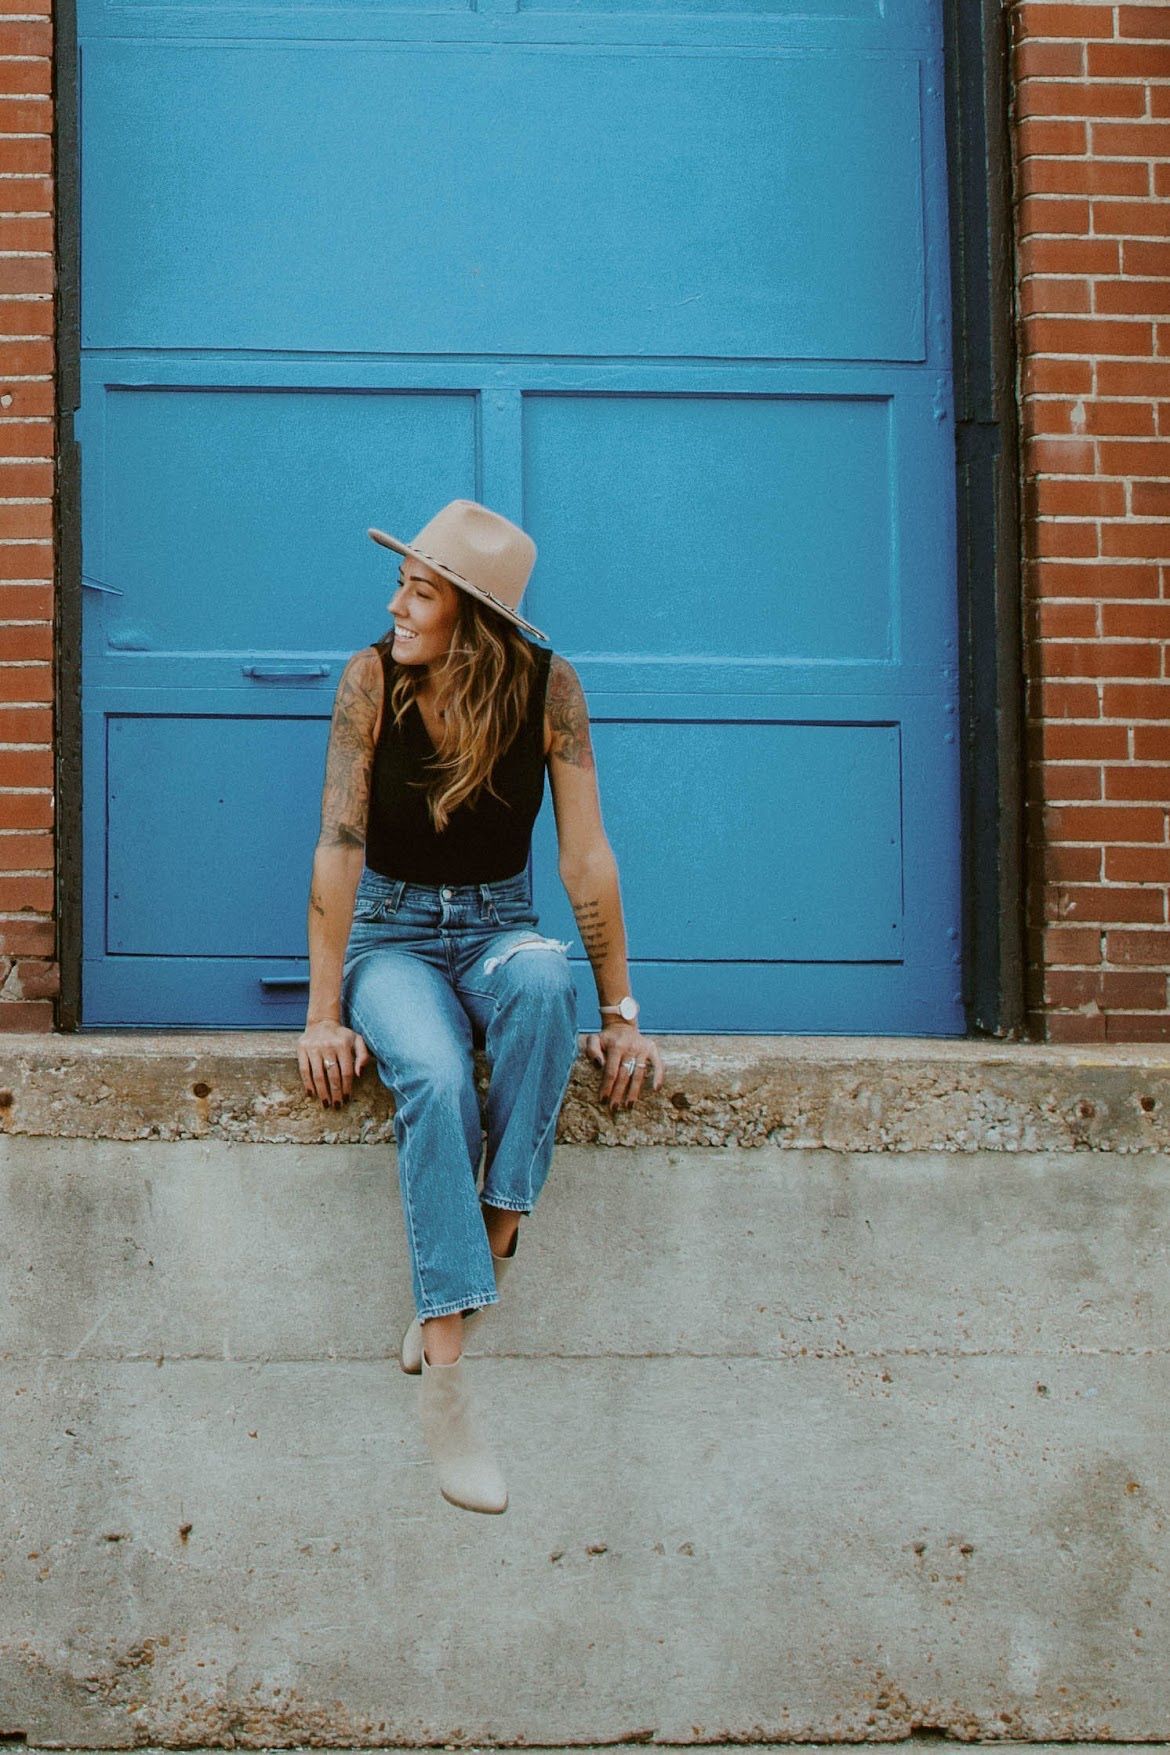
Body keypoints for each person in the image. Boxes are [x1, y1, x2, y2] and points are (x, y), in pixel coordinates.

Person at [296, 498, 665, 1516]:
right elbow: (339, 848)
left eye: (418, 591)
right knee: (437, 1074)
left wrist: (622, 1011)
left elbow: (586, 856)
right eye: (404, 587)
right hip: (395, 939)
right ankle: (450, 1383)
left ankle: (498, 1223)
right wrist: (325, 1013)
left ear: (471, 611)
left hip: (502, 927)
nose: (397, 606)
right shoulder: (370, 681)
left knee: (547, 977)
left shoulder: (551, 691)